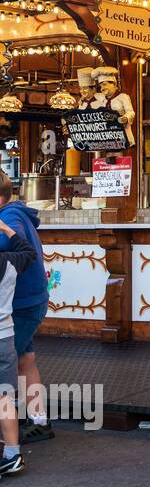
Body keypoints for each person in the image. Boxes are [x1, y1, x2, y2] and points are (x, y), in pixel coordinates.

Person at [0, 175, 50, 442]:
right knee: (25, 361)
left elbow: (12, 240)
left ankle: (8, 438)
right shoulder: (15, 211)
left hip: (19, 306)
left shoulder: (10, 217)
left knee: (3, 369)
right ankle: (39, 420)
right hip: (31, 300)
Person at [0, 215, 38, 477]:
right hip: (5, 337)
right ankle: (12, 453)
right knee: (4, 397)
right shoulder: (10, 262)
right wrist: (5, 228)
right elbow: (28, 251)